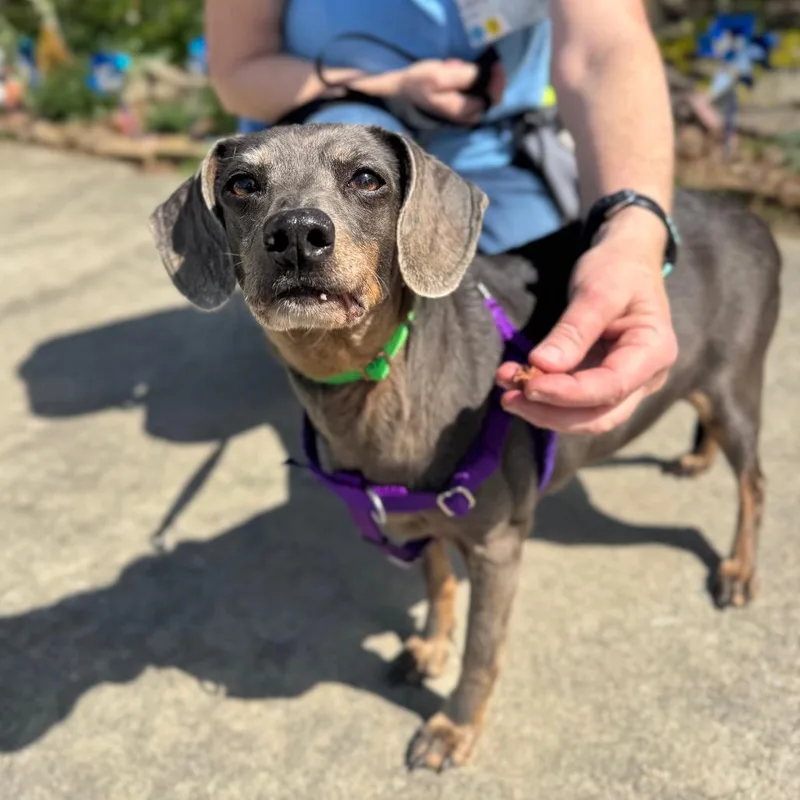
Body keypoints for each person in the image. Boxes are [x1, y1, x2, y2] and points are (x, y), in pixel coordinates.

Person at [205, 0, 678, 436]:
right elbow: (236, 73)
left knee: (532, 299)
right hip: (336, 118)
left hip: (494, 145)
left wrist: (632, 231)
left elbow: (606, 46)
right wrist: (392, 85)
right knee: (346, 164)